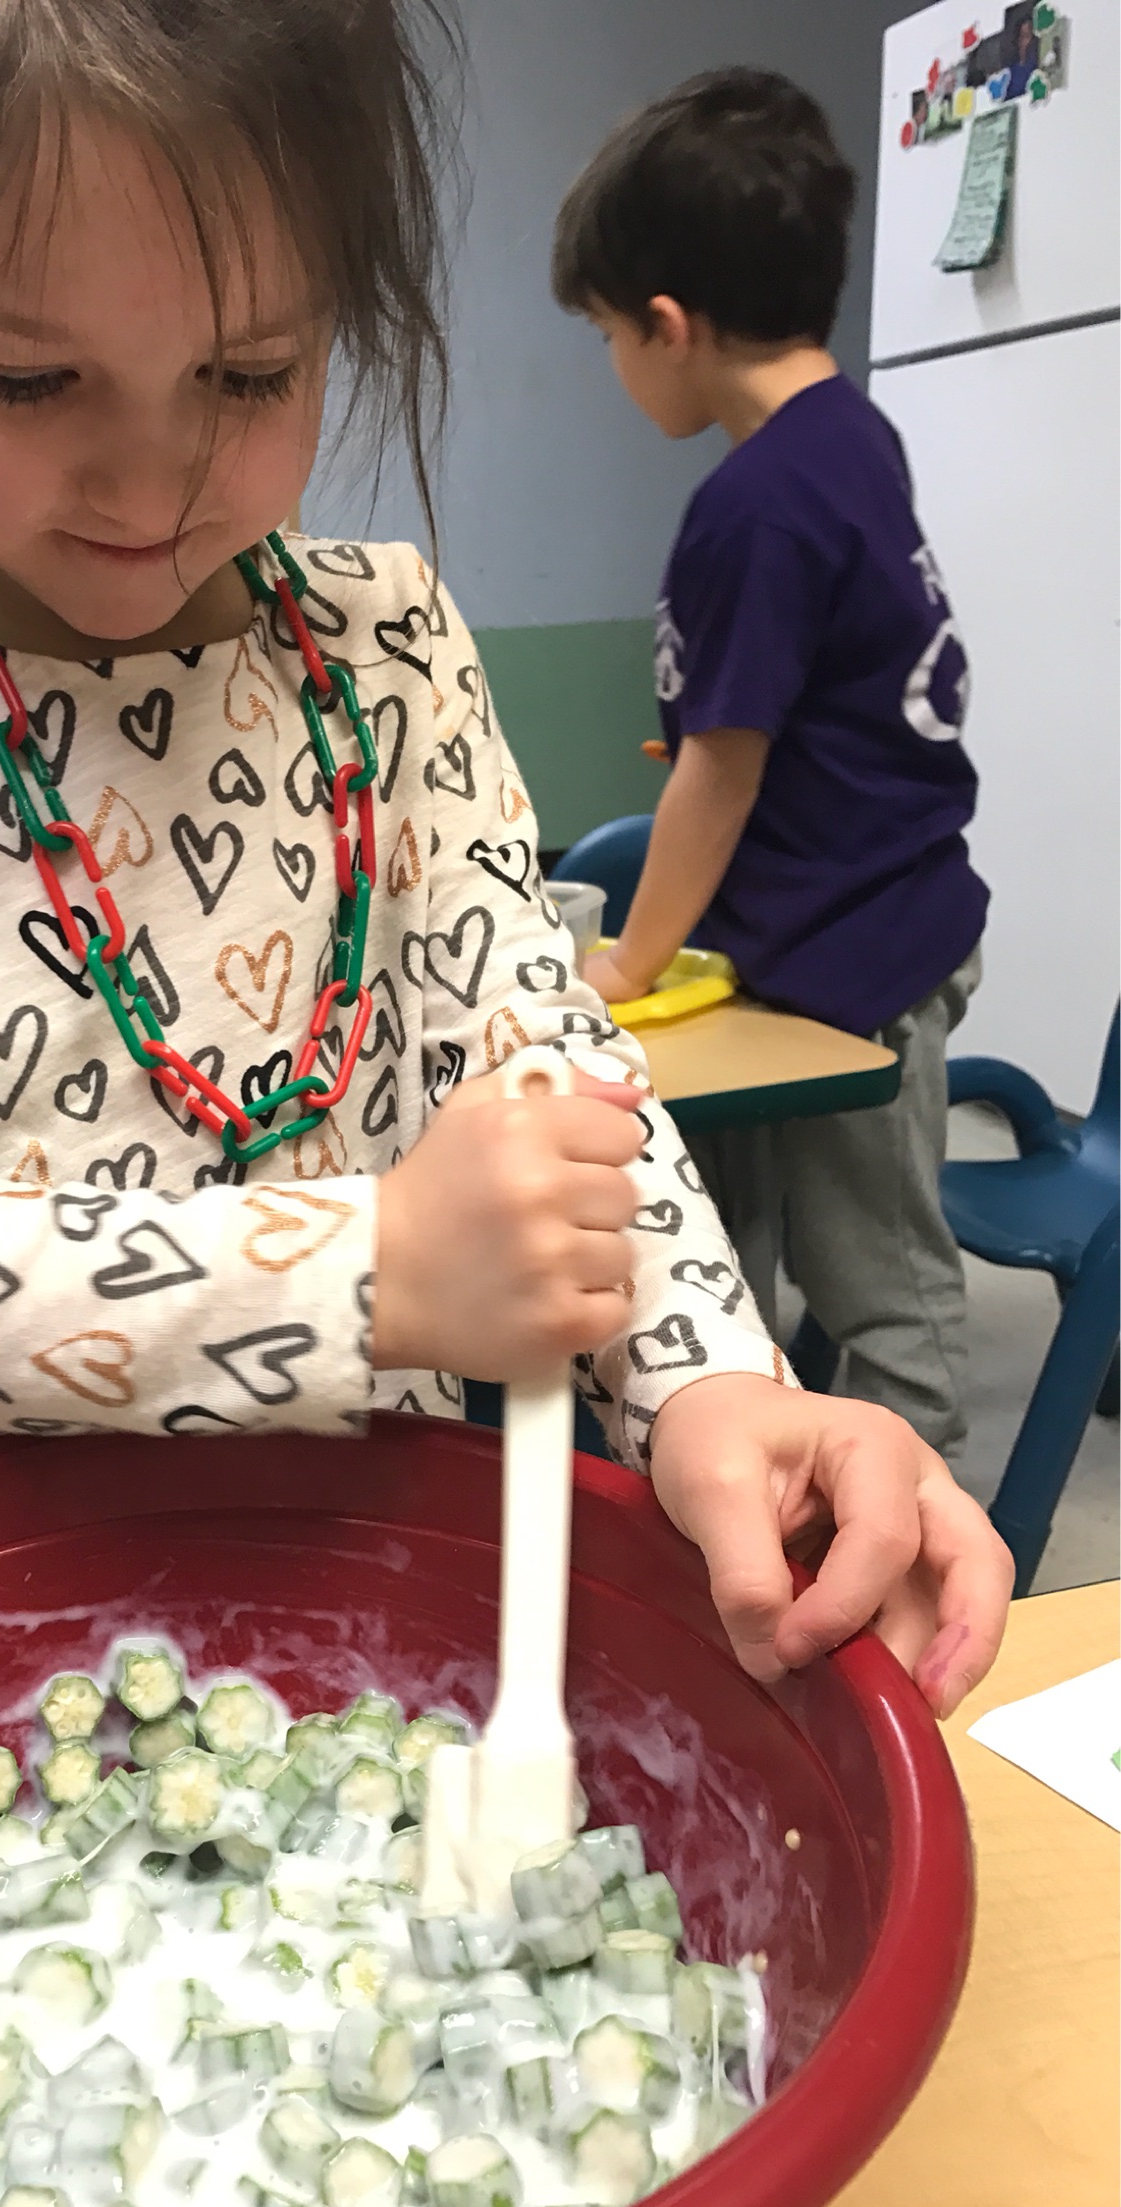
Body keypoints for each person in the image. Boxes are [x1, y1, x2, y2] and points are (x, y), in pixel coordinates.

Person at [0, 0, 1010, 1723]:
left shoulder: (383, 648)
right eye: (24, 376)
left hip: (359, 1629)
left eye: (245, 375)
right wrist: (370, 1271)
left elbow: (539, 1062)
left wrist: (705, 1389)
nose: (149, 482)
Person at [555, 69, 990, 1470]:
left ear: (668, 327)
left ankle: (916, 1526)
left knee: (879, 1281)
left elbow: (719, 777)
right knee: (727, 1247)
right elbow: (814, 701)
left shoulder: (749, 503)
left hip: (854, 954)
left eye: (610, 336)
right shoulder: (852, 436)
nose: (615, 368)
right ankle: (741, 1463)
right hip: (852, 918)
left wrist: (626, 963)